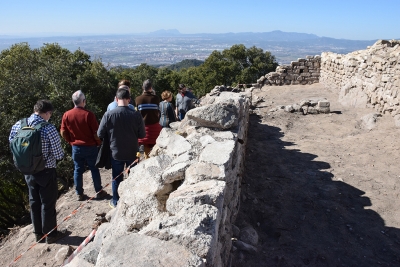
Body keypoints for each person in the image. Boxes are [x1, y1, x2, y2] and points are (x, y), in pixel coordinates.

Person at [9, 100, 66, 244]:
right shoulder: (48, 128)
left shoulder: (18, 125)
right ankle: (51, 235)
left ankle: (38, 235)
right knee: (47, 203)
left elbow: (12, 145)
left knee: (34, 202)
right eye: (50, 114)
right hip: (46, 171)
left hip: (27, 171)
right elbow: (59, 154)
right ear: (47, 113)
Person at [98, 88, 145, 208]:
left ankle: (116, 201)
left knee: (116, 177)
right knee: (133, 176)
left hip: (116, 152)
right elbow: (142, 135)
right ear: (129, 100)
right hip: (133, 152)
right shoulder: (136, 115)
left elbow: (100, 134)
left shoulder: (108, 115)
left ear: (116, 99)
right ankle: (133, 200)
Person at [60, 90, 106, 201]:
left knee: (77, 170)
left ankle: (79, 193)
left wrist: (70, 141)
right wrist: (98, 143)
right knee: (94, 169)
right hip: (90, 147)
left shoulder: (66, 115)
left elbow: (63, 132)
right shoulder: (89, 115)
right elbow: (96, 133)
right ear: (84, 101)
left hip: (76, 147)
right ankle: (99, 191)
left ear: (73, 101)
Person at [135, 79, 162, 158]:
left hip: (143, 128)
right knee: (155, 147)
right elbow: (158, 112)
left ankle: (147, 160)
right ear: (151, 88)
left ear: (143, 87)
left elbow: (138, 113)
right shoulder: (156, 98)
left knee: (146, 148)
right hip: (155, 126)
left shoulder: (138, 99)